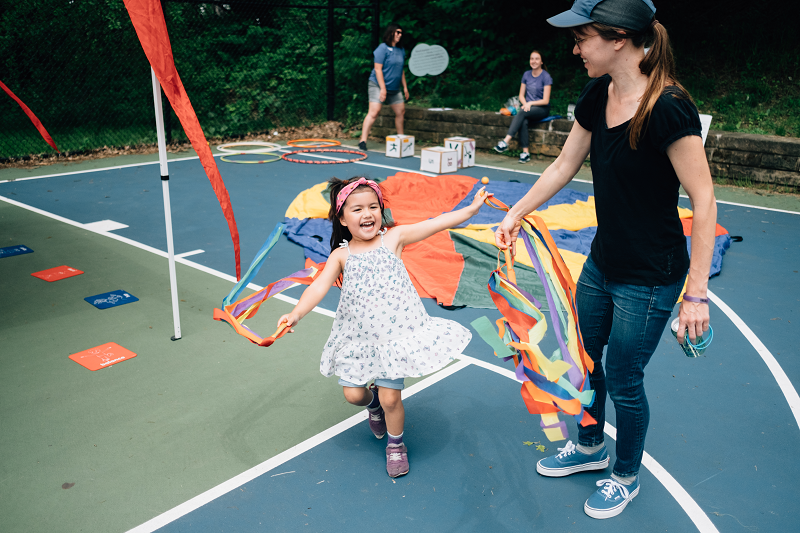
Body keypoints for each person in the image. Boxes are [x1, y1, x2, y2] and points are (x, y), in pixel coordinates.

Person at [495, 0, 717, 519]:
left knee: (622, 376)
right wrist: (516, 213)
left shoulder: (669, 108)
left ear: (618, 39)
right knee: (586, 360)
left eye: (582, 39)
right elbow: (566, 163)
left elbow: (704, 201)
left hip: (652, 275)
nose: (575, 50)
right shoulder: (599, 92)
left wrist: (697, 294)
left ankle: (625, 474)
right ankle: (591, 446)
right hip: (602, 263)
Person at [277, 177, 488, 477]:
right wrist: (296, 314)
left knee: (393, 399)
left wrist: (471, 210)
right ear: (342, 218)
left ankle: (396, 445)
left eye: (373, 207)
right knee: (354, 395)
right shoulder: (341, 256)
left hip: (394, 337)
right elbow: (318, 286)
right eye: (358, 209)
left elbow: (437, 222)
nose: (368, 214)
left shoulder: (394, 239)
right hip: (358, 339)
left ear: (381, 211)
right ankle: (371, 404)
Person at [493, 50, 553, 163]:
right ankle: (525, 153)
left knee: (522, 112)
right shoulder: (526, 74)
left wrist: (529, 104)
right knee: (523, 120)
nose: (533, 61)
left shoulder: (546, 76)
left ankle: (506, 141)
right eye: (532, 58)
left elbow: (545, 100)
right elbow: (521, 95)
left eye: (536, 59)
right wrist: (526, 103)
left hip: (542, 109)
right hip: (527, 108)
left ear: (541, 62)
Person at [358, 25, 410, 151]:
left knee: (400, 111)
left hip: (394, 87)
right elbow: (378, 69)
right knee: (374, 111)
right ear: (391, 33)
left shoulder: (400, 50)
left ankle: (400, 138)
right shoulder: (382, 49)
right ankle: (363, 141)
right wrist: (382, 88)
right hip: (377, 84)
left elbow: (400, 70)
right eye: (397, 32)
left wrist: (405, 87)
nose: (399, 35)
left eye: (401, 33)